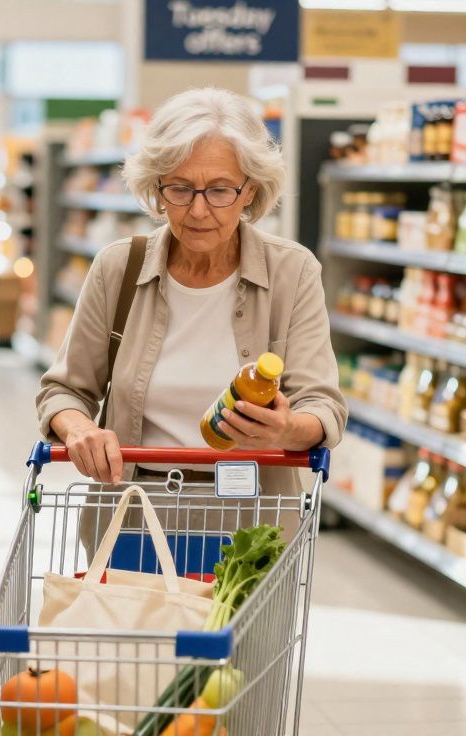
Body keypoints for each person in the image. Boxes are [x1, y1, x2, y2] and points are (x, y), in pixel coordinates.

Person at [35, 87, 347, 550]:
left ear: (251, 191)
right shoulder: (118, 268)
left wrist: (286, 430)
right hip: (131, 519)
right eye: (180, 188)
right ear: (157, 189)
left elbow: (323, 406)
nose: (198, 209)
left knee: (238, 626)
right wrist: (79, 428)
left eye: (220, 189)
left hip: (253, 528)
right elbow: (63, 390)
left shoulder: (291, 271)